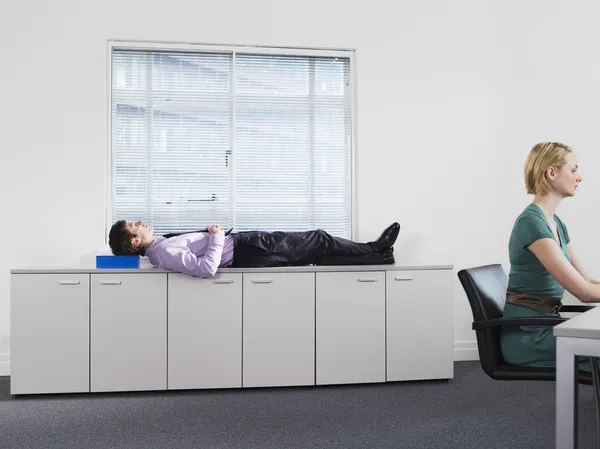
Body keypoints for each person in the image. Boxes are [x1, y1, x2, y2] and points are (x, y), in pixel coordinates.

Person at [500, 141, 600, 371]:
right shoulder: (531, 223)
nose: (579, 177)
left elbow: (586, 281)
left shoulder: (556, 223)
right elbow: (584, 293)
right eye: (573, 170)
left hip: (546, 326)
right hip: (529, 336)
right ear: (552, 173)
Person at [108, 221, 400, 277]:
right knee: (318, 239)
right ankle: (377, 246)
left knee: (315, 254)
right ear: (135, 242)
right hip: (249, 250)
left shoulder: (160, 249)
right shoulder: (165, 252)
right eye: (136, 226)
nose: (142, 222)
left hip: (249, 247)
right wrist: (217, 236)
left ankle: (380, 257)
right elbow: (206, 269)